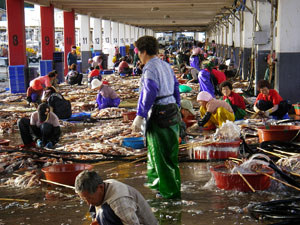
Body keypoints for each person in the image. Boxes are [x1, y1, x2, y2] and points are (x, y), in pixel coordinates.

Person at [131, 36, 181, 199]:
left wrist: (140, 114)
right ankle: (164, 186)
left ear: (144, 51)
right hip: (172, 110)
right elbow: (175, 87)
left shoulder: (150, 68)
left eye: (138, 52)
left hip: (159, 113)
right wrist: (177, 105)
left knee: (160, 156)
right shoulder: (165, 65)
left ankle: (168, 193)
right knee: (170, 154)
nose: (138, 55)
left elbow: (149, 90)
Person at [75, 170, 158, 225]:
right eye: (84, 199)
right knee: (96, 208)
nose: (88, 202)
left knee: (104, 213)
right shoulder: (102, 188)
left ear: (100, 188)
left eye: (90, 198)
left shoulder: (119, 201)